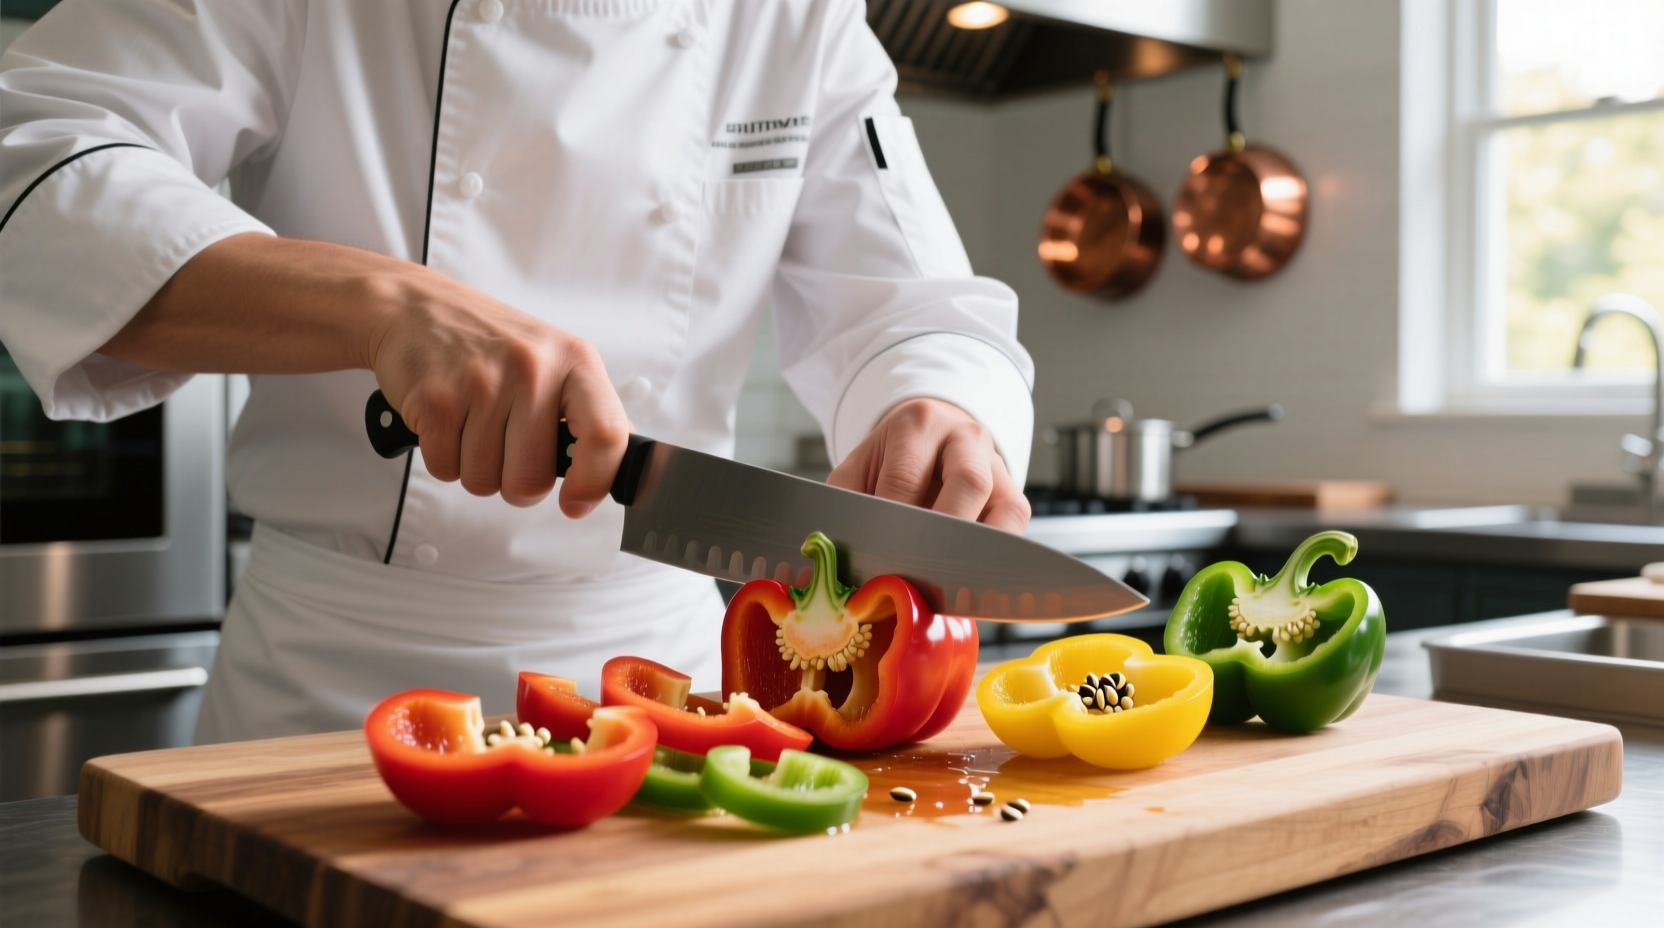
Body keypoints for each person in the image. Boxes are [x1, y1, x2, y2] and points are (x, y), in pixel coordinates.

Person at [0, 0, 1034, 743]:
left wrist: (939, 402)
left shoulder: (792, 20)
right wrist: (381, 305)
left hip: (659, 692)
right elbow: (34, 154)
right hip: (326, 688)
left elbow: (914, 303)